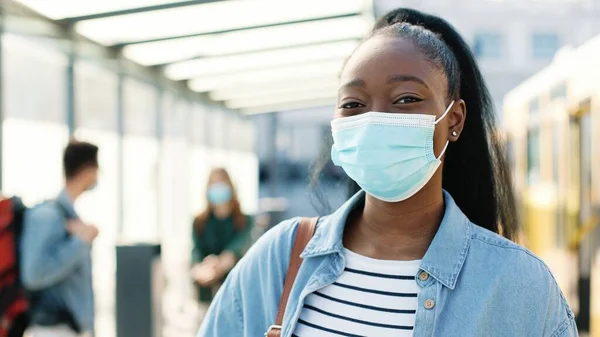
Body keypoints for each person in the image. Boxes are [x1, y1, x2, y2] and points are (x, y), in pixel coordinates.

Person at [197, 8, 578, 337]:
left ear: (454, 120)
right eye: (353, 103)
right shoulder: (279, 258)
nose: (375, 119)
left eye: (406, 99)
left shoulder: (519, 285)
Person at [20, 140, 100, 337]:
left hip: (68, 329)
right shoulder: (48, 216)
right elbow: (33, 274)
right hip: (52, 329)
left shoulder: (70, 217)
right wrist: (80, 243)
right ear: (87, 170)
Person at [191, 168, 252, 305]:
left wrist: (219, 264)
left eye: (221, 183)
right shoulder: (199, 222)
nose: (217, 187)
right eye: (214, 183)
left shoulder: (243, 220)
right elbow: (196, 251)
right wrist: (200, 268)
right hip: (206, 289)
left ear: (230, 186)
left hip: (236, 290)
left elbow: (237, 248)